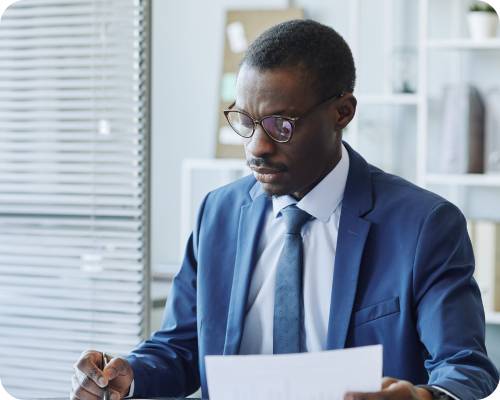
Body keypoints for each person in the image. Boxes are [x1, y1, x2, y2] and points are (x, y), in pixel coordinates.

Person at [71, 19, 499, 400]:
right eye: (244, 121)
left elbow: (464, 365)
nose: (257, 147)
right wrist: (131, 374)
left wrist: (423, 397)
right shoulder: (217, 215)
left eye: (281, 125)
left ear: (342, 112)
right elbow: (183, 346)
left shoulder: (423, 225)